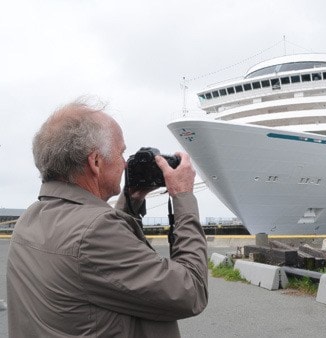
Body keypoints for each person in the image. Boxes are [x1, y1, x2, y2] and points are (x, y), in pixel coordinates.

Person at [6, 99, 208, 337]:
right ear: (95, 162)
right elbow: (190, 292)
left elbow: (96, 272)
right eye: (121, 153)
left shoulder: (30, 219)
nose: (125, 164)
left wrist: (131, 200)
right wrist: (183, 197)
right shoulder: (96, 231)